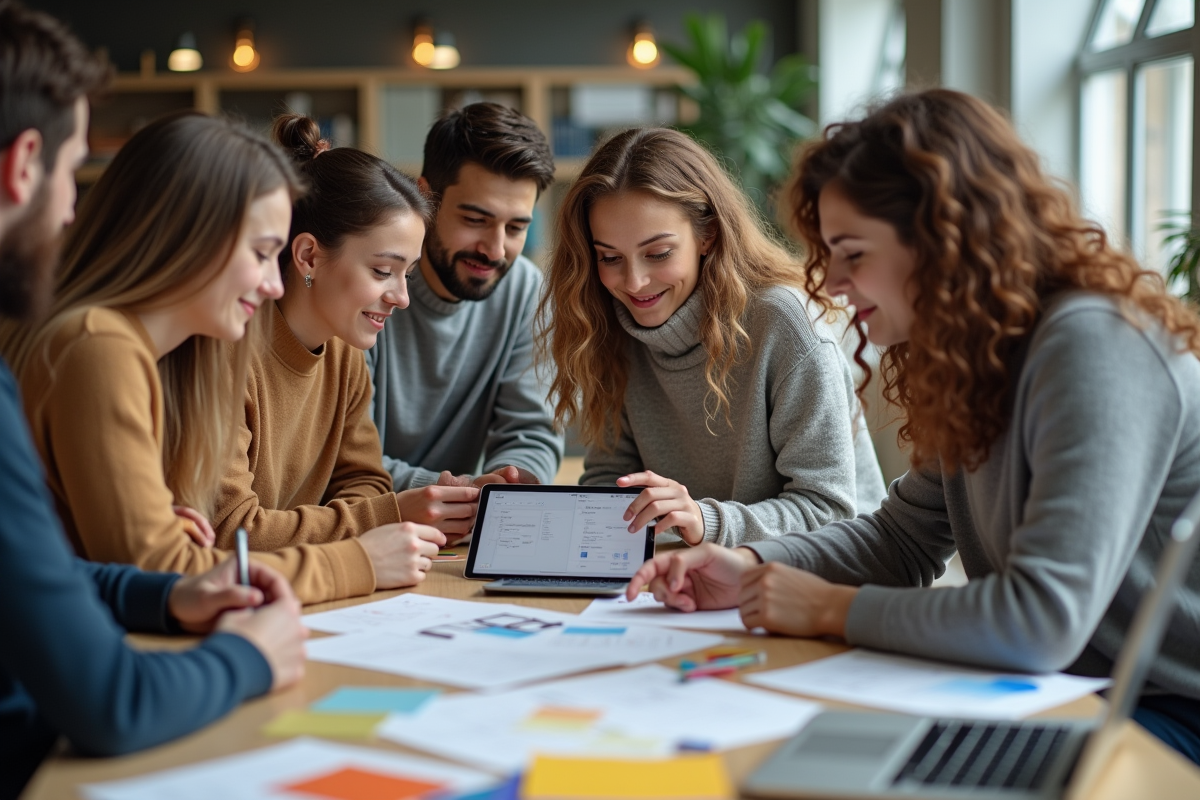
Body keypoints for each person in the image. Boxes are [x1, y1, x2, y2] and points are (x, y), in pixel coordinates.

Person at [626, 90, 1200, 763]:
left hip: (1164, 715)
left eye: (853, 253)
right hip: (1061, 694)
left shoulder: (1093, 346)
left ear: (942, 240)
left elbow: (1039, 621)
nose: (833, 283)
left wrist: (828, 609)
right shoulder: (979, 354)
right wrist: (752, 564)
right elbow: (901, 540)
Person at [0, 4, 305, 796]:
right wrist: (250, 653)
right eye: (72, 171)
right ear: (24, 166)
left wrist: (168, 594)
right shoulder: (98, 343)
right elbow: (111, 701)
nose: (71, 208)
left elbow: (44, 574)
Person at [0, 109, 439, 605]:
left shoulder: (135, 346)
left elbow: (162, 560)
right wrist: (357, 560)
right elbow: (171, 573)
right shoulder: (98, 347)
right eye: (260, 253)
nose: (275, 284)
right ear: (192, 240)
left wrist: (165, 534)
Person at [538, 128, 885, 548]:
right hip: (697, 573)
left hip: (828, 580)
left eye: (658, 253)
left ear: (708, 235)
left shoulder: (783, 323)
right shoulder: (611, 323)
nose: (634, 282)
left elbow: (828, 509)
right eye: (610, 258)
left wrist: (706, 520)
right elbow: (612, 481)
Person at [209, 113, 451, 573]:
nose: (401, 297)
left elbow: (365, 481)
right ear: (309, 256)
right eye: (382, 271)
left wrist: (375, 513)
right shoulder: (226, 352)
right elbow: (233, 533)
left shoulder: (346, 354)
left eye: (408, 274)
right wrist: (388, 517)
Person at [367, 102, 564, 537]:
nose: (494, 250)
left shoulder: (525, 290)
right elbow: (340, 456)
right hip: (366, 525)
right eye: (476, 220)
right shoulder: (366, 286)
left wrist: (508, 486)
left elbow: (531, 430)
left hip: (456, 530)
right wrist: (452, 492)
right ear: (424, 197)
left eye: (516, 228)